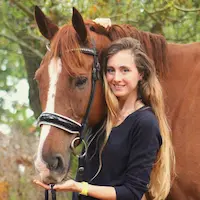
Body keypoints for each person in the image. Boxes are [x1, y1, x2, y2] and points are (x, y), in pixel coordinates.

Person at [34, 37, 175, 200]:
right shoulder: (104, 117)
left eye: (125, 70)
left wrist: (79, 187)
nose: (116, 78)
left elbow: (132, 192)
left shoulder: (145, 123)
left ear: (141, 74)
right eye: (110, 70)